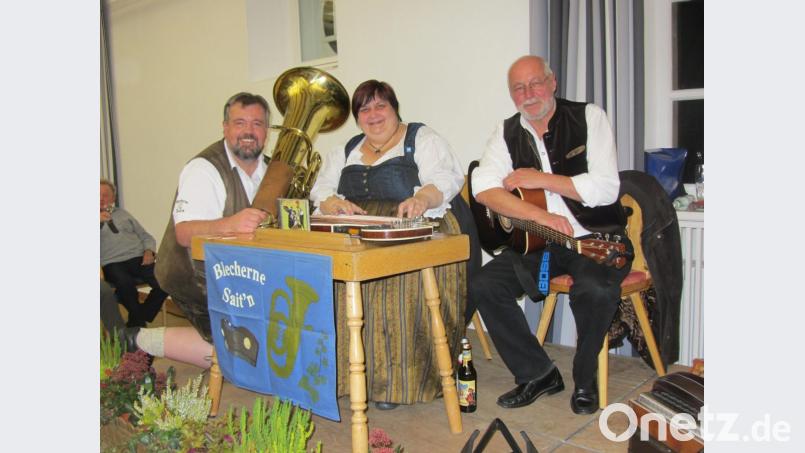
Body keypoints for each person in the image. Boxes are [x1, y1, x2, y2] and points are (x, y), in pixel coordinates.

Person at [468, 55, 633, 415]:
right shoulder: (506, 131)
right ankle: (538, 373)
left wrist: (539, 179)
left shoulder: (589, 117)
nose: (529, 94)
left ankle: (585, 378)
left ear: (553, 81)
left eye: (535, 83)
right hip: (542, 242)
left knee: (597, 289)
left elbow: (606, 188)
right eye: (518, 88)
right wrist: (539, 216)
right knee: (483, 284)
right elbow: (483, 186)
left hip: (595, 238)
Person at [310, 80, 481, 409]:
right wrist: (330, 202)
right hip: (360, 232)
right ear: (356, 117)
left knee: (396, 287)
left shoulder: (421, 139)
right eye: (364, 109)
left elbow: (447, 179)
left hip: (419, 226)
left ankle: (395, 383)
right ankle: (347, 375)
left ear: (394, 108)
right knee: (332, 278)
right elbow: (322, 188)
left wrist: (420, 198)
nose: (373, 115)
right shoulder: (346, 150)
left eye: (380, 106)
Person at [125, 92, 271, 368]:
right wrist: (232, 224)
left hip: (242, 275)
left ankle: (143, 339)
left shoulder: (272, 169)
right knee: (244, 351)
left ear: (267, 131)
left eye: (257, 124)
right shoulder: (203, 168)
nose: (249, 131)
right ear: (225, 127)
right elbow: (185, 233)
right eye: (240, 123)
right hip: (192, 275)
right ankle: (141, 340)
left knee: (265, 337)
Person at [100, 179, 168, 328]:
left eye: (105, 195)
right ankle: (139, 323)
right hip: (112, 262)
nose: (101, 198)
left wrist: (149, 251)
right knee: (126, 285)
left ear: (113, 198)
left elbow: (145, 235)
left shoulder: (123, 214)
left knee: (165, 281)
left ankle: (138, 317)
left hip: (139, 258)